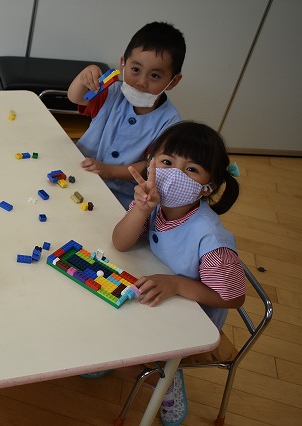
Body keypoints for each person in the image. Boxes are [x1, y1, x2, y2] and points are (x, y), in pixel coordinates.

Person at [110, 121, 245, 425]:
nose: (174, 174)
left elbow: (234, 298)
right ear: (151, 163)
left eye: (191, 169)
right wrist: (141, 210)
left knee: (123, 361)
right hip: (157, 293)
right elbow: (121, 242)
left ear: (209, 186)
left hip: (192, 316)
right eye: (167, 162)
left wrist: (178, 284)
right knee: (108, 326)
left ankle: (168, 380)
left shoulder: (210, 239)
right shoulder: (156, 204)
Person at [67, 22, 185, 209]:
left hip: (120, 195)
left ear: (173, 81)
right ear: (123, 63)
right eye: (135, 70)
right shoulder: (111, 91)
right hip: (78, 171)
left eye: (155, 76)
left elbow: (152, 166)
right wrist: (85, 76)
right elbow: (76, 97)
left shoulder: (170, 122)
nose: (141, 82)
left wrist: (109, 171)